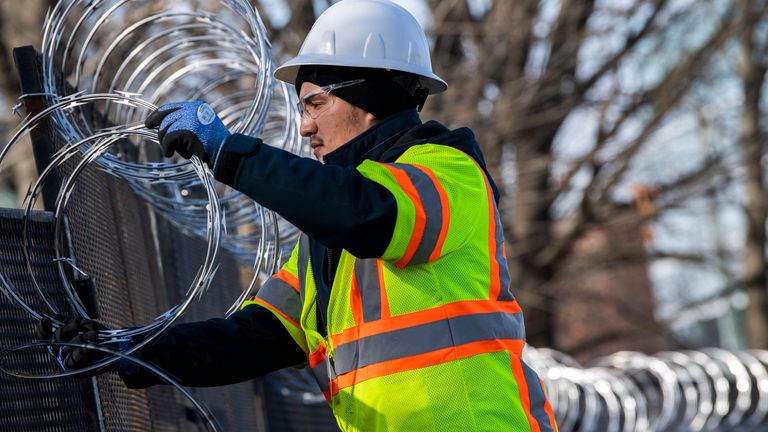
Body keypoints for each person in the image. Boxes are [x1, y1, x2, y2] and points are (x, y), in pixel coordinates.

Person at [40, 0, 557, 430]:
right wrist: (138, 351)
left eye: (316, 104)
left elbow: (365, 214)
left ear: (370, 98)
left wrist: (227, 152)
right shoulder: (325, 238)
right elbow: (258, 337)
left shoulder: (447, 173)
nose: (305, 128)